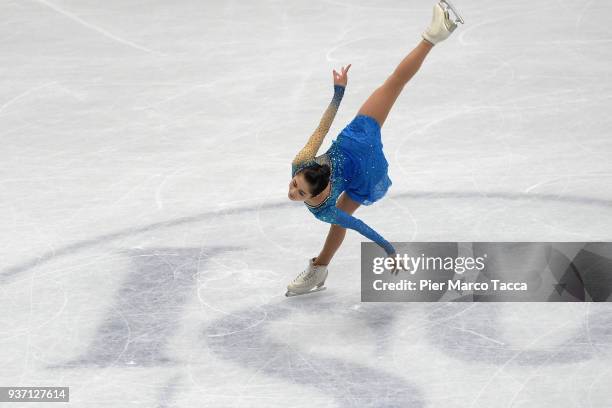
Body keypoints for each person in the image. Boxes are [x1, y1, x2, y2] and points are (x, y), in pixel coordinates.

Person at [286, 1, 464, 296]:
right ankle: (433, 36)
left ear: (317, 192)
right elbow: (322, 129)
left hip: (363, 158)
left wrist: (391, 251)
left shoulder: (324, 208)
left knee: (337, 221)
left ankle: (319, 268)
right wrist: (338, 92)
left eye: (299, 190)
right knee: (392, 85)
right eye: (296, 187)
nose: (292, 191)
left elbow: (360, 227)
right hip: (355, 138)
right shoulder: (302, 163)